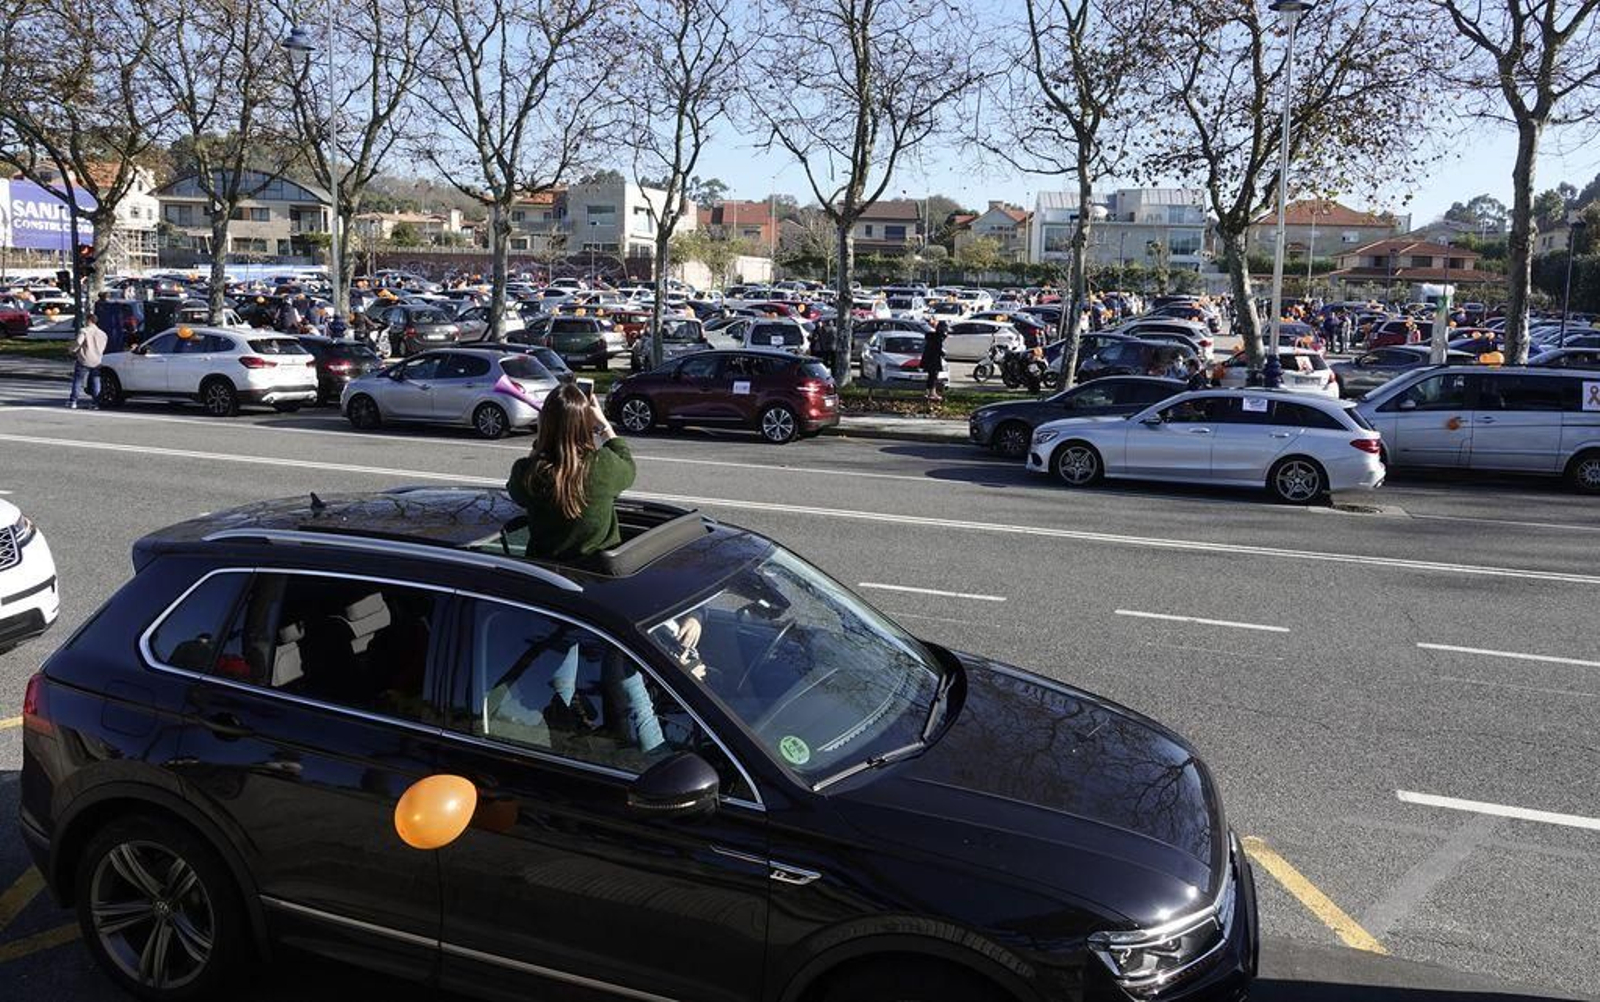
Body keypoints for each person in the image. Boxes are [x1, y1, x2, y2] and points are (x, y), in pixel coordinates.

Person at [506, 382, 636, 562]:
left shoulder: (526, 472)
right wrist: (604, 426)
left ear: (544, 422)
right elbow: (628, 464)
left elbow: (516, 493)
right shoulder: (604, 464)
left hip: (545, 573)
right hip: (595, 573)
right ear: (586, 423)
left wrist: (542, 439)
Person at [68, 320, 107, 409]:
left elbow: (78, 342)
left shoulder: (84, 331)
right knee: (96, 381)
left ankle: (73, 401)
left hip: (84, 359)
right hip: (97, 361)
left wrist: (72, 350)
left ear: (89, 320)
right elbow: (103, 347)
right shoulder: (103, 334)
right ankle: (96, 403)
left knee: (78, 381)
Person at [922, 321, 948, 402]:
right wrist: (942, 353)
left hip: (928, 359)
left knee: (931, 376)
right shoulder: (937, 338)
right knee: (933, 376)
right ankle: (932, 393)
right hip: (933, 360)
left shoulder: (931, 337)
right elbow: (937, 349)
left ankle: (928, 392)